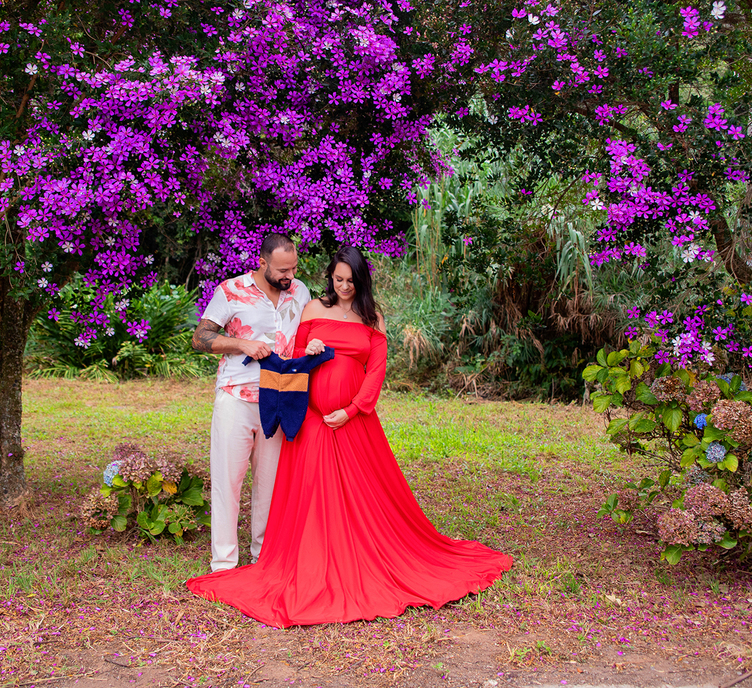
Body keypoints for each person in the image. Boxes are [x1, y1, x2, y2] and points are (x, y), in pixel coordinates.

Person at [187, 246, 512, 626]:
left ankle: (271, 553)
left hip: (338, 417)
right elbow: (290, 355)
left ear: (360, 281)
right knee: (244, 482)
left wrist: (353, 408)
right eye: (337, 279)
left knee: (281, 486)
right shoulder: (265, 297)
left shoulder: (323, 301)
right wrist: (302, 350)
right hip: (271, 405)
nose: (342, 286)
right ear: (264, 263)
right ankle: (226, 562)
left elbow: (375, 371)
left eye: (349, 280)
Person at [191, 233, 313, 572]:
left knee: (270, 485)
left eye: (293, 268)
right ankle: (224, 563)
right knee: (228, 481)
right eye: (282, 270)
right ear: (262, 263)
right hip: (236, 397)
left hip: (280, 397)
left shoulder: (300, 292)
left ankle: (263, 557)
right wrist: (242, 345)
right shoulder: (230, 290)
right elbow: (199, 338)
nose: (289, 277)